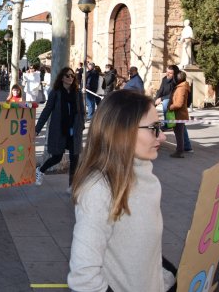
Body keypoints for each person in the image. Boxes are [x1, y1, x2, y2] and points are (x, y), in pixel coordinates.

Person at [68, 90, 177, 291]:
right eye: (153, 128)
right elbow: (84, 277)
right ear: (122, 131)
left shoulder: (147, 177)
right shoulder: (98, 189)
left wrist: (169, 279)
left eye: (160, 127)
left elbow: (142, 254)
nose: (162, 136)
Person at [34, 67, 85, 190]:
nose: (71, 78)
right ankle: (41, 170)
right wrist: (37, 129)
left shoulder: (77, 93)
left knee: (75, 158)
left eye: (72, 76)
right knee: (57, 157)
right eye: (68, 76)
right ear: (62, 77)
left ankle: (72, 186)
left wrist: (82, 125)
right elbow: (46, 111)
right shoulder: (56, 93)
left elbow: (82, 111)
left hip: (74, 130)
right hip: (59, 129)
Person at [168, 71, 190, 158]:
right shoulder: (180, 87)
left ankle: (180, 151)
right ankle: (179, 150)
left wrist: (170, 107)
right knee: (178, 133)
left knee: (179, 134)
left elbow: (179, 104)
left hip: (179, 114)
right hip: (178, 114)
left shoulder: (181, 88)